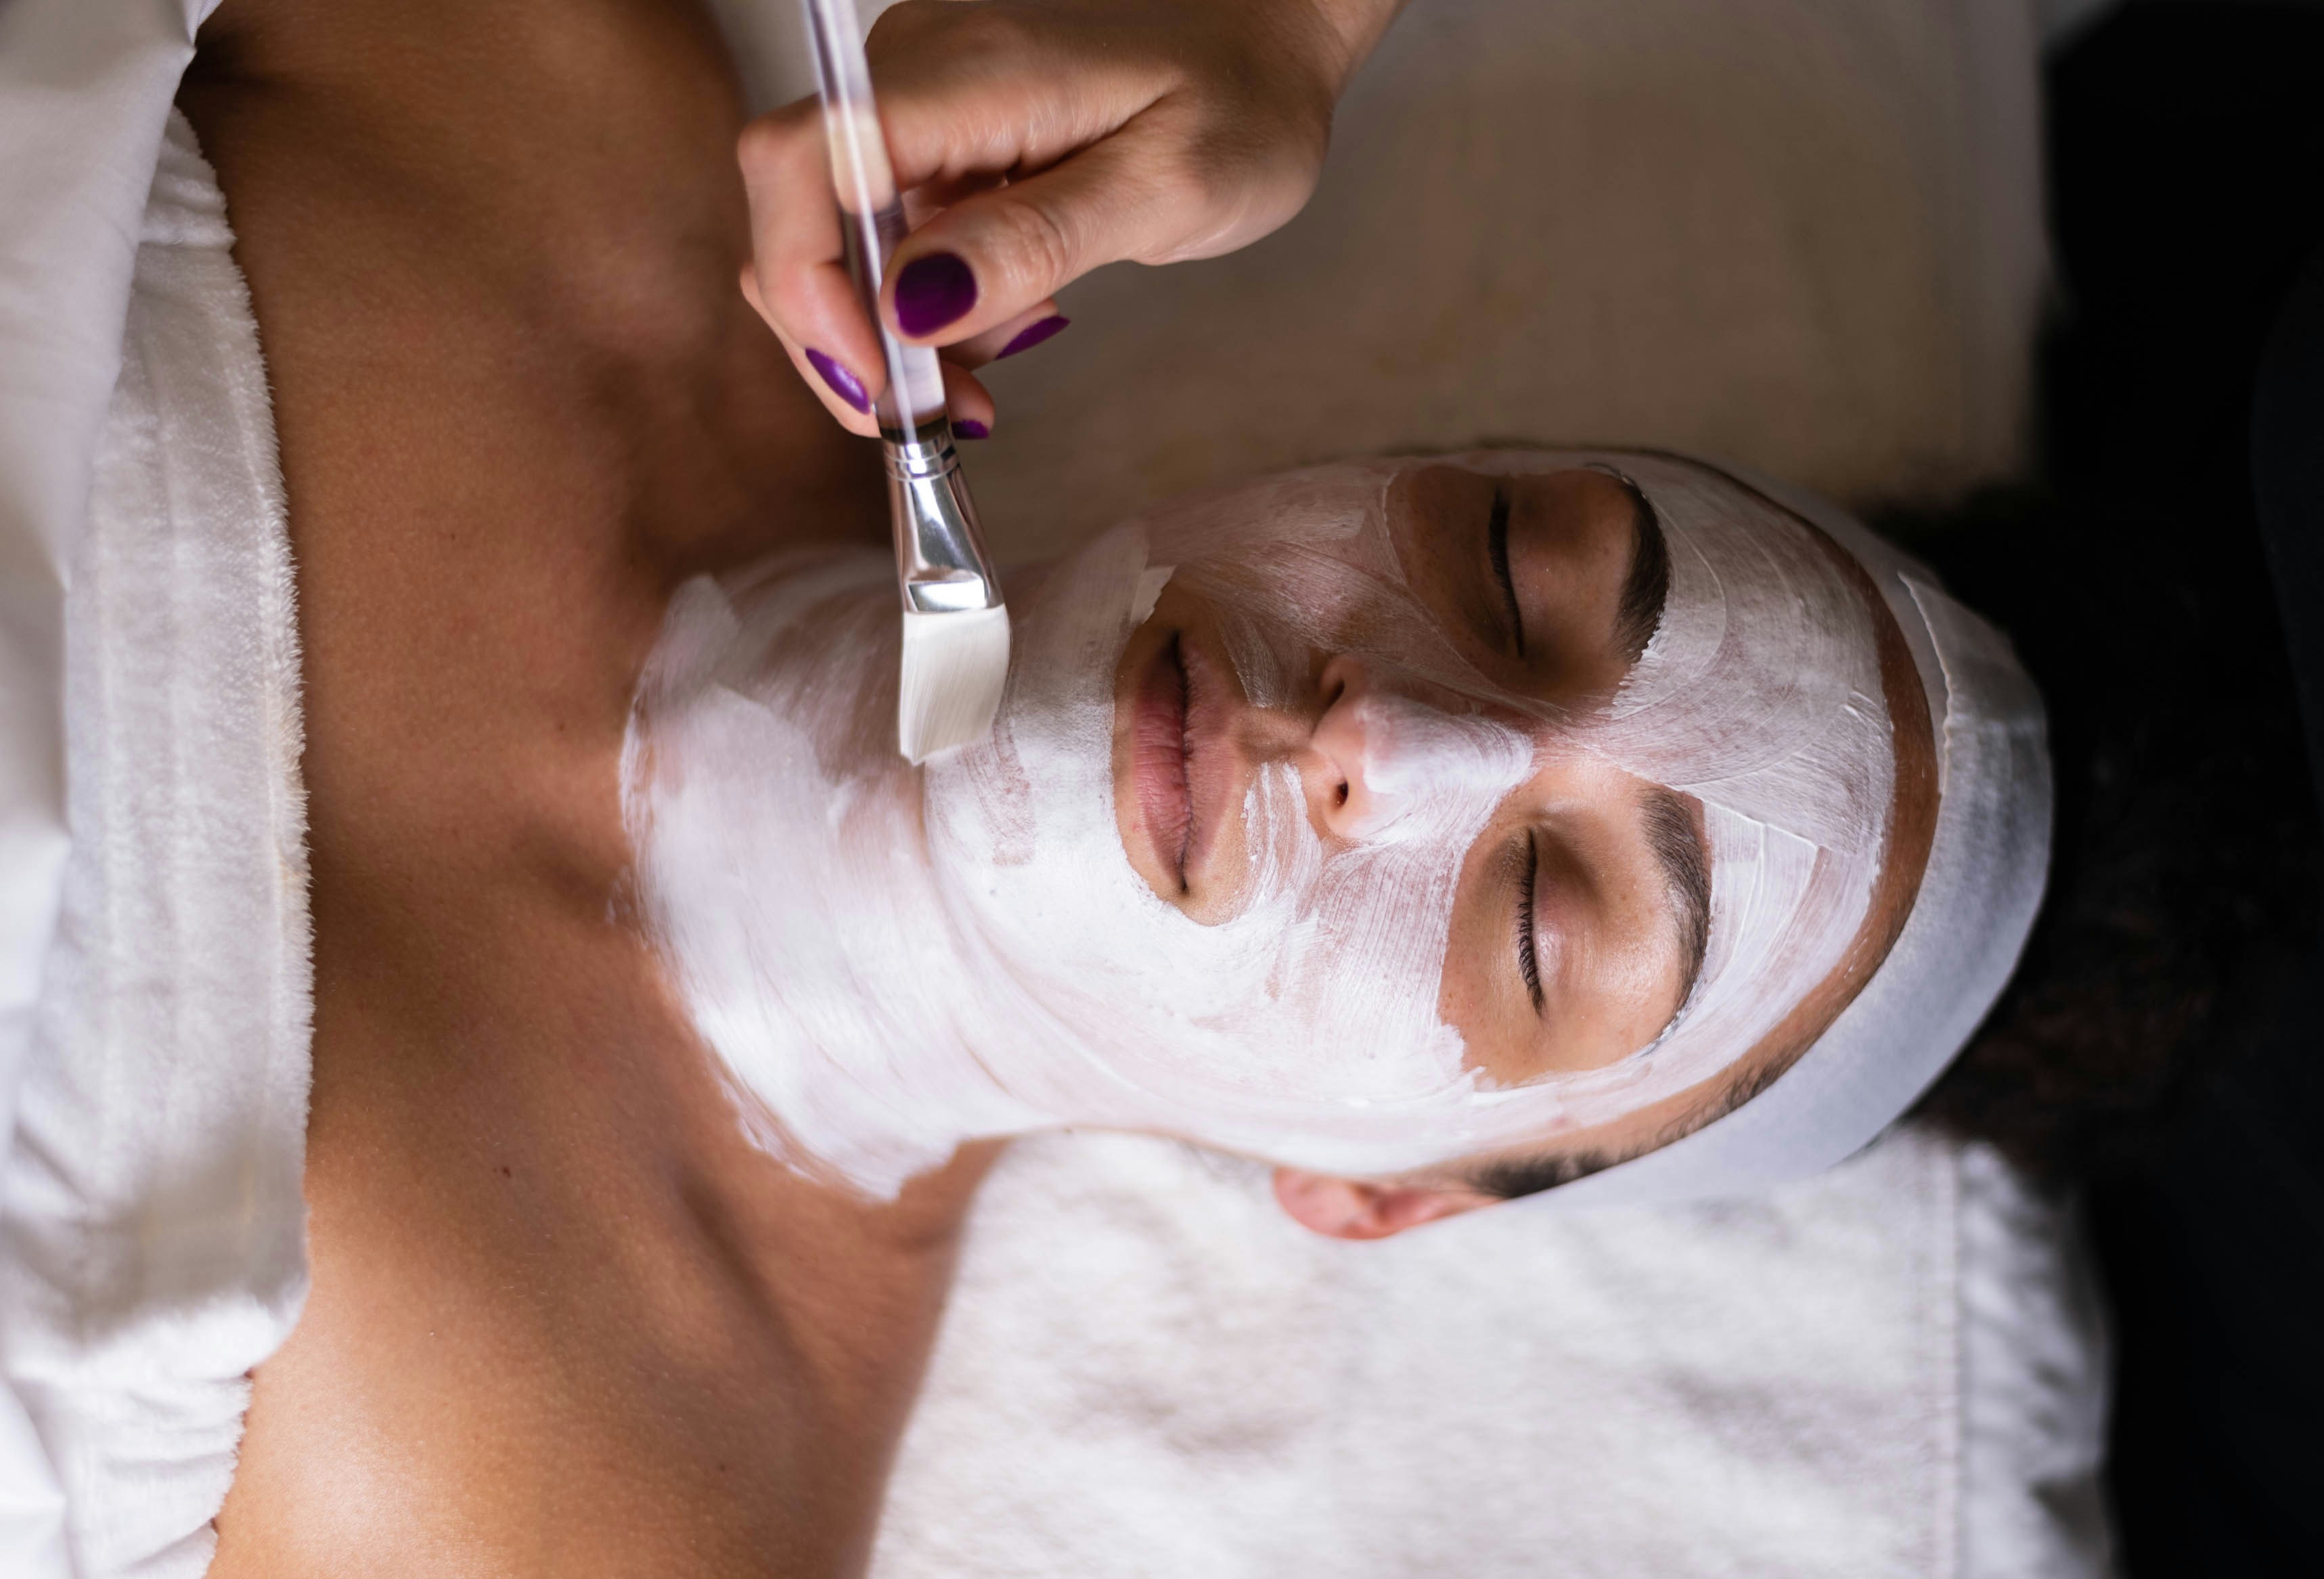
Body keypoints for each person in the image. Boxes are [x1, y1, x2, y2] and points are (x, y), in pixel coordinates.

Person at [0, 0, 2038, 1572]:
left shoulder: (617, 1506)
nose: (1387, 739)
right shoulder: (597, 179)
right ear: (1382, 449)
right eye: (1510, 568)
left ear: (1376, 1199)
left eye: (1535, 917)